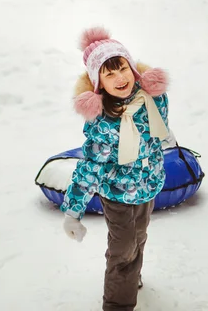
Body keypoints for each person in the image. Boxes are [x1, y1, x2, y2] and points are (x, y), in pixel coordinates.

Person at [60, 26, 170, 311]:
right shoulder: (103, 122)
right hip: (118, 194)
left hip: (148, 186)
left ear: (132, 69)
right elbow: (90, 168)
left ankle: (132, 278)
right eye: (109, 74)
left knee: (140, 238)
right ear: (99, 84)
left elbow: (159, 135)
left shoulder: (153, 100)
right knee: (123, 251)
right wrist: (73, 211)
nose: (119, 78)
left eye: (122, 68)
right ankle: (118, 303)